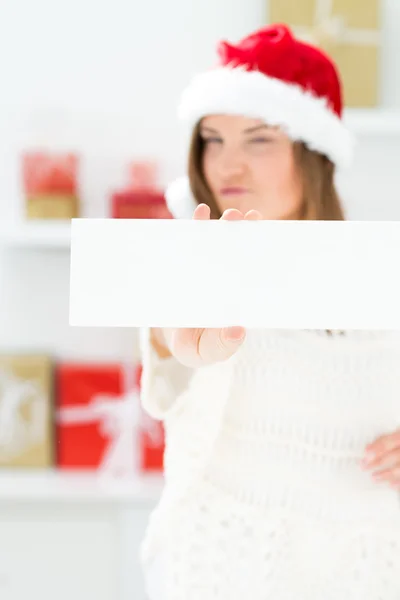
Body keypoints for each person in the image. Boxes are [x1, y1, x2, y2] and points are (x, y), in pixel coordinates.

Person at [139, 24, 400, 600]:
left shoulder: (381, 272)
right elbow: (170, 354)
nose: (228, 165)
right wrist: (182, 348)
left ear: (315, 155)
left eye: (258, 139)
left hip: (367, 568)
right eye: (212, 139)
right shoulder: (188, 265)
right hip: (217, 567)